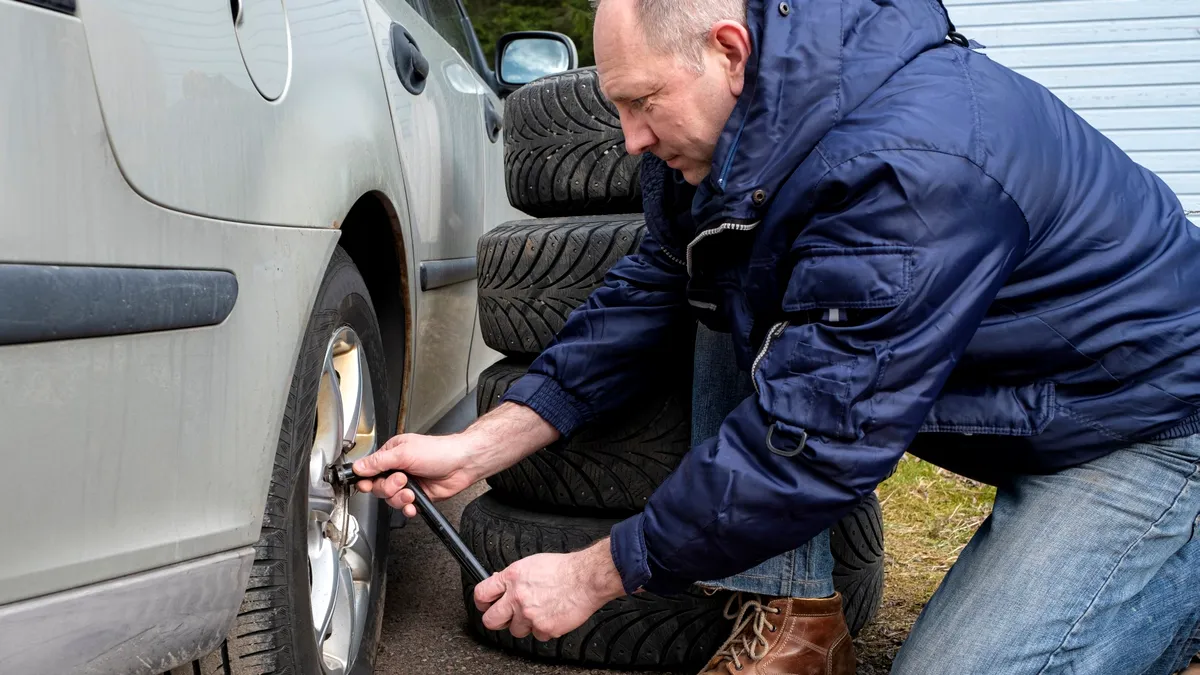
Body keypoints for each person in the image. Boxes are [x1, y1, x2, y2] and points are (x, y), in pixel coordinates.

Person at [354, 0, 1200, 672]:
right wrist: (476, 448)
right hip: (1029, 391)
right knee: (723, 273)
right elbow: (654, 289)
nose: (629, 140)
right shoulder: (738, 134)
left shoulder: (909, 169)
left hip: (1149, 429)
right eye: (618, 106)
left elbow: (814, 440)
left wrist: (592, 572)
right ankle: (796, 623)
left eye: (643, 103)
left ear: (730, 50)